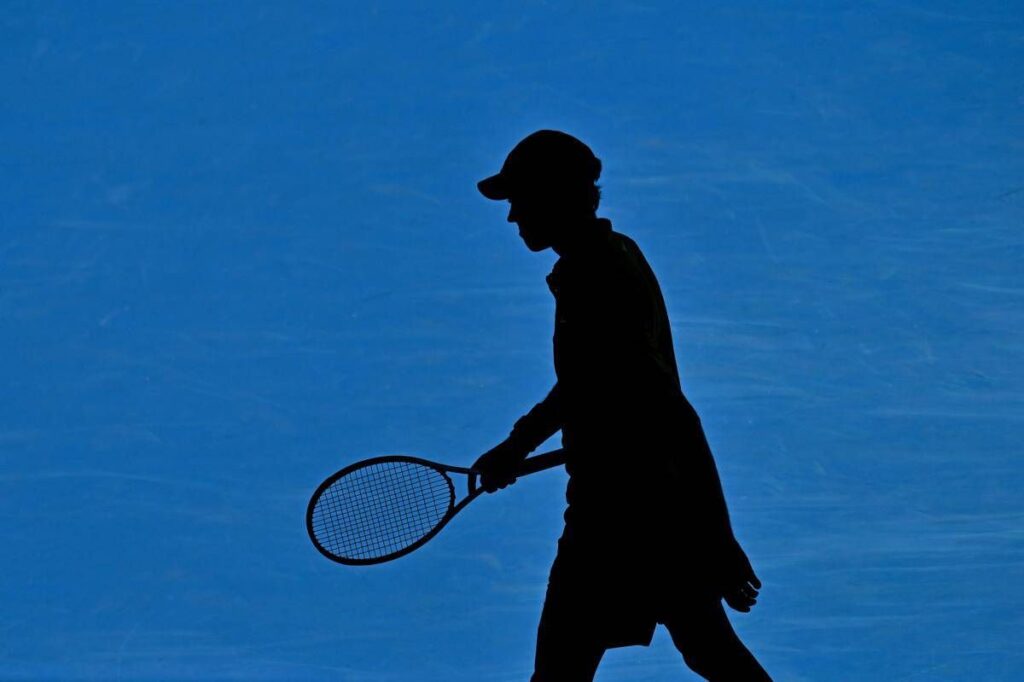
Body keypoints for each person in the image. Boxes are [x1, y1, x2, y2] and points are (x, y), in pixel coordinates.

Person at [472, 130, 773, 681]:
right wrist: (517, 445)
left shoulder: (598, 276)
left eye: (521, 198)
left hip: (624, 517)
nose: (512, 215)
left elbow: (669, 412)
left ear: (556, 197)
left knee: (573, 670)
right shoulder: (608, 258)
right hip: (640, 507)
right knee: (708, 649)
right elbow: (589, 385)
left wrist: (719, 537)